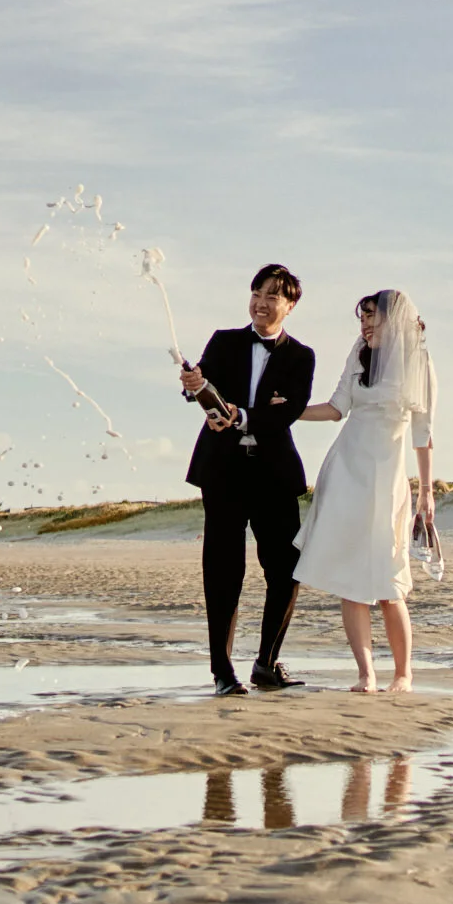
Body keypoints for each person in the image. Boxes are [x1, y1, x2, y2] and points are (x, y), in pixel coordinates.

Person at [179, 264, 319, 696]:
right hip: (222, 472)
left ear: (290, 305)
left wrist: (243, 415)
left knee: (287, 570)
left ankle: (266, 664)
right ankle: (222, 671)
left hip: (274, 475)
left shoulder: (302, 357)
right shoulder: (224, 341)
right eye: (257, 293)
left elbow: (288, 412)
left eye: (272, 296)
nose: (261, 303)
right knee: (223, 571)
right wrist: (195, 384)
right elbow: (202, 386)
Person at [292, 289, 437, 692]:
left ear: (395, 320)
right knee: (350, 578)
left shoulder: (418, 361)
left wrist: (426, 491)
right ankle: (365, 674)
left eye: (372, 317)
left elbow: (423, 434)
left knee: (390, 582)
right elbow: (337, 407)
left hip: (388, 478)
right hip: (346, 472)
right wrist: (289, 411)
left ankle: (403, 674)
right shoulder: (359, 354)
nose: (365, 326)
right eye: (362, 319)